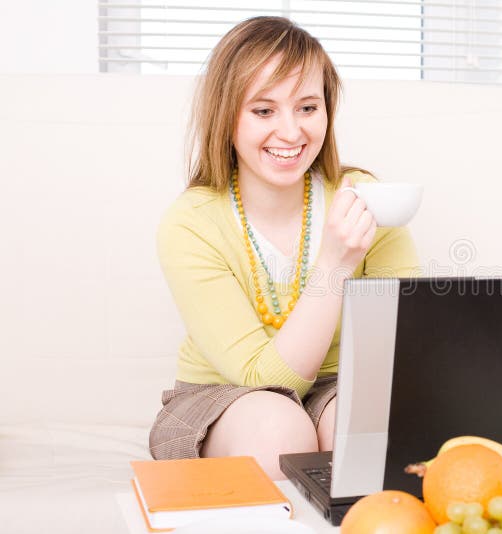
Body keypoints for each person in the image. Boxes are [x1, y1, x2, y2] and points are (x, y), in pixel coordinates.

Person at [149, 16, 419, 480]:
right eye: (264, 110)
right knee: (279, 434)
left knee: (368, 431)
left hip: (340, 385)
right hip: (225, 394)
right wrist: (334, 263)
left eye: (308, 108)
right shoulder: (191, 223)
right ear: (226, 114)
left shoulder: (365, 199)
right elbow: (268, 381)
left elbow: (409, 343)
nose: (291, 133)